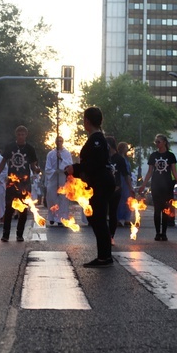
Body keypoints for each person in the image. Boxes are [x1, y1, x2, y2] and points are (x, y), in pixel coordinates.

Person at [64, 107, 115, 268]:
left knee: (98, 219)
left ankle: (104, 257)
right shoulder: (98, 139)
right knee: (97, 219)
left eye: (84, 119)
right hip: (100, 182)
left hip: (101, 183)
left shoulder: (97, 140)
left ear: (87, 121)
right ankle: (104, 256)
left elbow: (95, 164)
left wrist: (75, 168)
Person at [0, 125, 40, 242]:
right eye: (19, 134)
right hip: (11, 183)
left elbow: (33, 165)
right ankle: (6, 234)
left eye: (23, 134)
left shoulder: (30, 149)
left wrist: (36, 170)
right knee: (8, 209)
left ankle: (20, 234)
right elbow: (3, 162)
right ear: (16, 135)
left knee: (23, 210)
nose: (20, 136)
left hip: (24, 184)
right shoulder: (10, 147)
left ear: (26, 135)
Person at [138, 134, 177, 241]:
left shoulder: (170, 156)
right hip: (156, 185)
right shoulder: (153, 156)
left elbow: (174, 171)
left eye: (158, 142)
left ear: (164, 142)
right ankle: (157, 233)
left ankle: (164, 233)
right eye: (156, 142)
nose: (157, 144)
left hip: (167, 186)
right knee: (157, 210)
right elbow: (149, 172)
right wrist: (143, 185)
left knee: (166, 210)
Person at [107, 137, 134, 243]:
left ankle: (111, 236)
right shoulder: (104, 158)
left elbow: (125, 174)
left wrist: (130, 188)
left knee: (113, 213)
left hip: (116, 188)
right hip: (105, 189)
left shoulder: (119, 159)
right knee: (103, 213)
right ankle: (104, 236)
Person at [44, 136, 73, 226]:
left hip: (62, 177)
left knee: (63, 198)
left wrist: (61, 159)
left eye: (60, 141)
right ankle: (52, 217)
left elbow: (69, 165)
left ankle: (61, 218)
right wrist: (53, 171)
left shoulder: (67, 153)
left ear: (62, 142)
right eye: (57, 141)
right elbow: (47, 167)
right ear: (55, 142)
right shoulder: (50, 154)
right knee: (51, 196)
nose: (59, 142)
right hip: (53, 177)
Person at [117, 142, 134, 226]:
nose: (127, 149)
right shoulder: (119, 158)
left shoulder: (127, 158)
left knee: (128, 199)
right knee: (121, 200)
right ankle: (119, 219)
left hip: (127, 180)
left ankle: (127, 218)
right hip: (121, 179)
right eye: (126, 147)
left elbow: (129, 171)